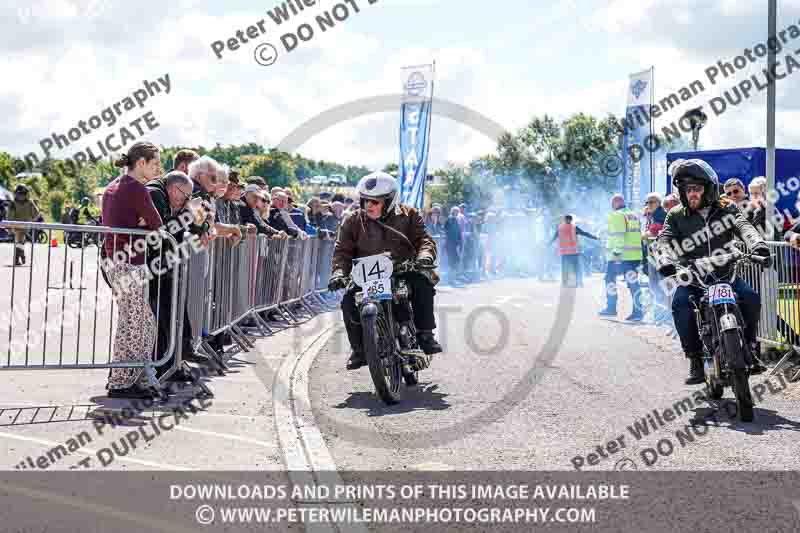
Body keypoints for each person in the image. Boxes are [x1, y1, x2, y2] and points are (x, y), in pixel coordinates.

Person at [654, 159, 770, 384]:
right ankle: (695, 360)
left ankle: (750, 347)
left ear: (709, 189)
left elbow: (744, 226)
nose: (692, 193)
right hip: (693, 277)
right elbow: (664, 239)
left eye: (697, 188)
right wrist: (664, 259)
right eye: (687, 189)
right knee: (680, 305)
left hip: (726, 274)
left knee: (750, 298)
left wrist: (758, 245)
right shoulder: (676, 214)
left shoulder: (727, 207)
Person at [327, 172, 442, 370]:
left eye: (375, 201)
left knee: (422, 284)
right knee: (348, 300)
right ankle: (359, 350)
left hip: (402, 268)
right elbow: (342, 251)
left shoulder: (409, 215)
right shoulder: (352, 220)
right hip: (368, 274)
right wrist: (338, 272)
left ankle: (425, 334)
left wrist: (424, 256)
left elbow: (424, 240)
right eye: (365, 200)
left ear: (389, 201)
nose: (368, 205)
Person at [101, 142, 164, 399]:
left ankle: (132, 376)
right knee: (135, 323)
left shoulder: (114, 185)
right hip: (128, 262)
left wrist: (142, 224)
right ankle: (122, 381)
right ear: (141, 163)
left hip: (116, 261)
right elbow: (157, 224)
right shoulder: (136, 188)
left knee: (141, 321)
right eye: (155, 163)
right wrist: (144, 224)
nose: (158, 168)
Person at [598, 194, 643, 321]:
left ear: (615, 203)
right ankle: (638, 311)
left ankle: (611, 308)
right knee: (633, 283)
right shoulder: (633, 214)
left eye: (612, 204)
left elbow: (619, 235)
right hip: (634, 255)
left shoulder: (616, 215)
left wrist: (616, 254)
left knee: (609, 279)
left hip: (620, 256)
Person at [549, 214, 598, 288]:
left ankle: (564, 283)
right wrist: (594, 237)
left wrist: (548, 244)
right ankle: (579, 282)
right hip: (573, 252)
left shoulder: (560, 228)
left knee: (565, 268)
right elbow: (584, 233)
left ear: (564, 220)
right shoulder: (573, 227)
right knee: (577, 268)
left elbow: (554, 237)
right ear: (571, 220)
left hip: (564, 252)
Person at [7, 184, 40, 266]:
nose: (20, 196)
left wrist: (32, 218)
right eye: (19, 194)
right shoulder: (13, 203)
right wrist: (9, 226)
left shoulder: (29, 202)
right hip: (17, 226)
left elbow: (36, 213)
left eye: (22, 194)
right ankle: (20, 257)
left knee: (20, 242)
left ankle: (19, 257)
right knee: (20, 241)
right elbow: (9, 216)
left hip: (24, 225)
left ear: (26, 194)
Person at [444, 206, 463, 286]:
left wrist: (459, 241)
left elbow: (458, 232)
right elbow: (447, 230)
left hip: (454, 245)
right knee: (452, 262)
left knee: (455, 261)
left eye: (457, 211)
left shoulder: (455, 220)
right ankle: (451, 279)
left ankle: (453, 278)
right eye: (455, 211)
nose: (457, 213)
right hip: (450, 244)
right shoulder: (450, 219)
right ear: (452, 211)